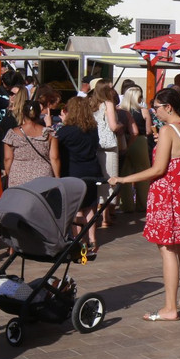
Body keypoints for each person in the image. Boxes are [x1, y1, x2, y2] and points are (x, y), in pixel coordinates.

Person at [110, 88, 180, 321]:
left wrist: (123, 179)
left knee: (167, 249)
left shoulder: (169, 130)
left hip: (166, 195)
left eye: (156, 107)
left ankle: (170, 308)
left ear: (168, 107)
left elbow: (158, 169)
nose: (154, 112)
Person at [56, 97, 104, 258]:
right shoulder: (92, 128)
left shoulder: (66, 131)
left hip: (73, 171)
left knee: (76, 208)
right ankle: (92, 239)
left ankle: (79, 242)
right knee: (90, 206)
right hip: (92, 170)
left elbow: (56, 147)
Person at [2, 100, 59, 189]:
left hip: (19, 176)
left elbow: (8, 158)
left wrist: (10, 174)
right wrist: (57, 178)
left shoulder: (12, 134)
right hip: (43, 177)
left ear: (23, 113)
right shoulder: (49, 133)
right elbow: (54, 158)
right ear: (39, 113)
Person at [89, 82, 123, 227]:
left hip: (96, 144)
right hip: (109, 146)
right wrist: (121, 125)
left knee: (100, 180)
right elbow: (113, 126)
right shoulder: (108, 103)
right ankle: (105, 216)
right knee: (110, 179)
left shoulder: (91, 104)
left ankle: (98, 215)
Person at [118, 87, 151, 213]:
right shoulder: (143, 111)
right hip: (140, 141)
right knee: (143, 173)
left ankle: (127, 205)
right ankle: (143, 204)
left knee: (125, 174)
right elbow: (148, 131)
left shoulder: (121, 112)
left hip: (124, 141)